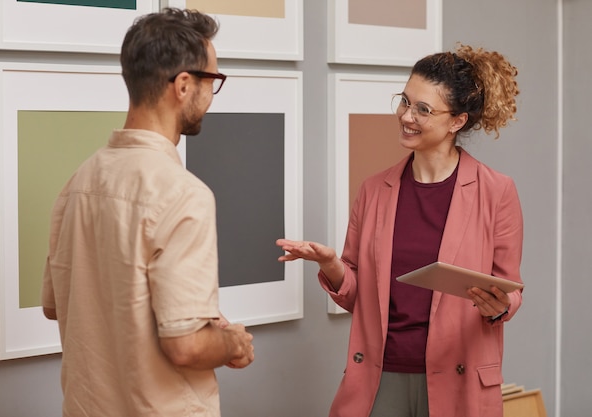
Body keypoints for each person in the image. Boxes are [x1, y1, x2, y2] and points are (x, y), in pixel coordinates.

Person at [277, 44, 523, 417]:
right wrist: (330, 264)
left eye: (423, 109)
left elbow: (509, 288)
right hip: (380, 375)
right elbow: (354, 295)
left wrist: (499, 305)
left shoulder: (496, 191)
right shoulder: (374, 190)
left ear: (456, 121)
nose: (406, 116)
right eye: (405, 101)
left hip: (458, 376)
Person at [41, 8, 254, 417]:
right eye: (213, 81)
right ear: (184, 85)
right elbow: (186, 345)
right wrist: (232, 343)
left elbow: (58, 305)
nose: (212, 95)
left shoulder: (78, 182)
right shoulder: (183, 194)